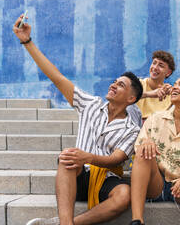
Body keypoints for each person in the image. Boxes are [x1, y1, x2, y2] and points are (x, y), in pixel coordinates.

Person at [13, 15, 143, 225]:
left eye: (120, 85)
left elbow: (117, 159)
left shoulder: (132, 129)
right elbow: (57, 77)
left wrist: (88, 157)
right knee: (68, 158)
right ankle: (66, 223)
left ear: (131, 98)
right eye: (114, 81)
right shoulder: (89, 104)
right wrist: (27, 41)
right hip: (77, 175)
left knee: (124, 195)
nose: (113, 85)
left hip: (105, 178)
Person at [130, 74, 180, 225]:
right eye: (174, 84)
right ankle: (137, 220)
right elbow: (138, 148)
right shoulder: (155, 118)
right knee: (143, 151)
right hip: (154, 184)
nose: (174, 87)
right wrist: (146, 143)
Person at [136, 50, 175, 120]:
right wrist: (149, 94)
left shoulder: (169, 94)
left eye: (161, 65)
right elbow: (125, 97)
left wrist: (176, 96)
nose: (155, 67)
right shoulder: (137, 83)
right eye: (154, 63)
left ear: (168, 73)